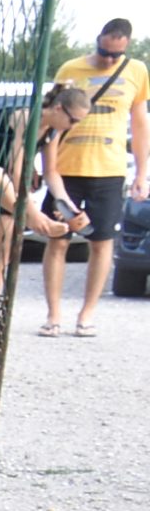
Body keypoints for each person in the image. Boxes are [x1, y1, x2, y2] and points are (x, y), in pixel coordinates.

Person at [0, 88, 89, 346]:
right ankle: (37, 221)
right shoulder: (27, 117)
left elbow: (52, 173)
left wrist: (70, 206)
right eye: (73, 120)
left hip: (11, 195)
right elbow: (15, 166)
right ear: (58, 109)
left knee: (2, 249)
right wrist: (33, 211)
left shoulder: (54, 131)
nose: (74, 126)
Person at [40, 18, 150, 337]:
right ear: (98, 40)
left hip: (110, 169)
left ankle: (86, 314)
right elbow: (49, 117)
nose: (109, 60)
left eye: (116, 55)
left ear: (126, 47)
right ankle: (53, 314)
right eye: (105, 52)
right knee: (58, 239)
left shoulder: (136, 72)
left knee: (101, 243)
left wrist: (142, 171)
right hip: (67, 168)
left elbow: (140, 123)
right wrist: (45, 165)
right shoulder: (70, 69)